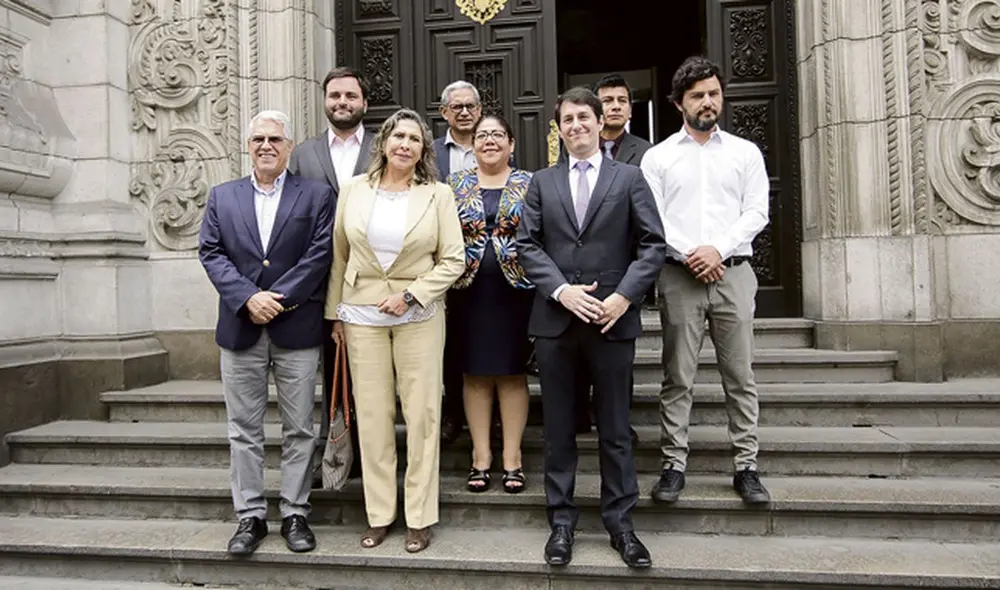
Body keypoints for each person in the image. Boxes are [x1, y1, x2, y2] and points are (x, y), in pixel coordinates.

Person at [516, 87, 666, 569]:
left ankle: (621, 524)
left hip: (612, 322)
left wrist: (623, 297)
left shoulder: (631, 178)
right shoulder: (541, 182)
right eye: (567, 119)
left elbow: (652, 246)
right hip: (557, 324)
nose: (576, 125)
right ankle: (561, 522)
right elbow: (528, 245)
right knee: (558, 430)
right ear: (557, 129)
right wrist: (562, 291)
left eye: (584, 116)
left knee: (616, 431)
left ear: (601, 122)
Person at [326, 108, 464, 553]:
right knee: (372, 416)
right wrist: (335, 317)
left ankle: (420, 518)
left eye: (415, 139)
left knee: (423, 415)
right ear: (383, 142)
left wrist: (412, 295)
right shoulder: (353, 191)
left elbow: (454, 261)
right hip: (361, 316)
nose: (405, 144)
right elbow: (339, 257)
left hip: (418, 316)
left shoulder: (437, 195)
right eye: (398, 135)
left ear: (424, 150)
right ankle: (380, 514)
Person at [198, 110, 333, 556]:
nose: (266, 146)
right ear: (248, 145)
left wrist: (274, 298)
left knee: (299, 428)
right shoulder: (222, 197)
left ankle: (295, 512)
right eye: (258, 138)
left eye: (275, 139)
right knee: (243, 430)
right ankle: (250, 517)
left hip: (296, 326)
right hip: (241, 328)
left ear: (289, 146)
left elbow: (320, 254)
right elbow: (211, 252)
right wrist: (246, 298)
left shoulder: (314, 195)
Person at [640, 56, 771, 506]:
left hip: (734, 274)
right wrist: (696, 255)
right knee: (678, 375)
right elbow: (652, 218)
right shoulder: (658, 158)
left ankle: (746, 466)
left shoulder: (744, 152)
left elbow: (756, 211)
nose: (708, 101)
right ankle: (674, 465)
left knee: (741, 375)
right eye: (698, 95)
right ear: (679, 103)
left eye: (714, 93)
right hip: (679, 277)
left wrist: (718, 249)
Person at [288, 66, 375, 479]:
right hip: (318, 280)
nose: (342, 103)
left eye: (350, 96)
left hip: (374, 279)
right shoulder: (303, 154)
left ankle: (372, 448)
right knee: (327, 365)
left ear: (364, 103)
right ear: (325, 101)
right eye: (335, 96)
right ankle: (331, 450)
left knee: (370, 368)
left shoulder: (382, 147)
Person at [446, 114, 533, 494]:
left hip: (517, 292)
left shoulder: (530, 184)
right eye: (482, 135)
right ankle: (481, 457)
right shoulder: (452, 186)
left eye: (498, 134)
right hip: (466, 292)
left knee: (512, 373)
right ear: (472, 145)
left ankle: (512, 458)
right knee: (474, 374)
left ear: (511, 144)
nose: (490, 140)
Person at [573, 73, 654, 437]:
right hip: (578, 279)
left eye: (622, 100)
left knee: (618, 358)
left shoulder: (647, 153)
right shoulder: (572, 148)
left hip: (623, 271)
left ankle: (618, 421)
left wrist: (630, 287)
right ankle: (579, 412)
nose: (615, 106)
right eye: (608, 100)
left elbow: (648, 223)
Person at [432, 80, 485, 446]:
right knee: (448, 343)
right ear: (444, 113)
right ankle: (452, 412)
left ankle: (489, 412)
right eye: (457, 107)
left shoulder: (494, 143)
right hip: (441, 262)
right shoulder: (431, 153)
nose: (464, 112)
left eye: (470, 106)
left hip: (489, 264)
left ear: (479, 110)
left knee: (485, 338)